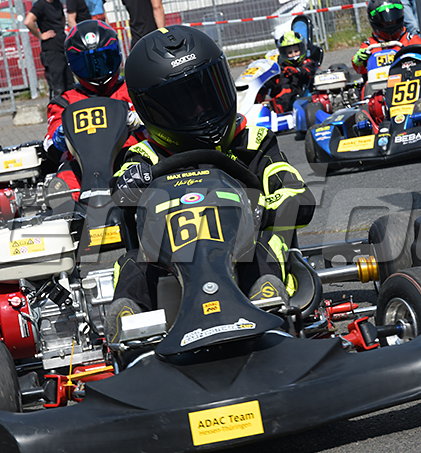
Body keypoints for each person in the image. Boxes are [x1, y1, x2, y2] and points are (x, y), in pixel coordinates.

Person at [105, 26, 316, 344]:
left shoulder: (252, 143)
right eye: (185, 105)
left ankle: (267, 298)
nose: (202, 111)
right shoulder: (145, 156)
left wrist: (262, 208)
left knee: (266, 244)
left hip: (244, 256)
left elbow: (295, 192)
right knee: (133, 263)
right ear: (151, 111)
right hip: (172, 270)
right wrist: (130, 182)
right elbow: (123, 185)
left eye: (208, 95)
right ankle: (130, 326)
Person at [41, 20, 138, 178]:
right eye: (88, 63)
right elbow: (50, 148)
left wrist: (141, 121)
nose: (97, 69)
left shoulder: (133, 90)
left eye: (103, 59)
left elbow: (163, 127)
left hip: (131, 162)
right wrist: (61, 136)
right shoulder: (65, 102)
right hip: (86, 170)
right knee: (65, 177)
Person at [24, 0, 74, 100]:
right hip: (51, 50)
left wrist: (61, 30)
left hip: (62, 46)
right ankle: (57, 109)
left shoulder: (57, 3)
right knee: (57, 85)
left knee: (70, 84)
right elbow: (28, 21)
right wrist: (40, 35)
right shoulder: (40, 5)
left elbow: (62, 18)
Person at [352, 0, 421, 78]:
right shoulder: (369, 46)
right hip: (378, 83)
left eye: (393, 20)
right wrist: (358, 61)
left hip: (406, 81)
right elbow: (359, 69)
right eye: (386, 22)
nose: (390, 23)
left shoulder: (411, 40)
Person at [269, 31, 317, 114]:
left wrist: (296, 70)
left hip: (300, 89)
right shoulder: (282, 65)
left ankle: (280, 110)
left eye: (296, 51)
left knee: (286, 90)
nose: (294, 54)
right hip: (282, 89)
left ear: (302, 49)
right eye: (290, 53)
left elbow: (308, 71)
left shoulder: (308, 62)